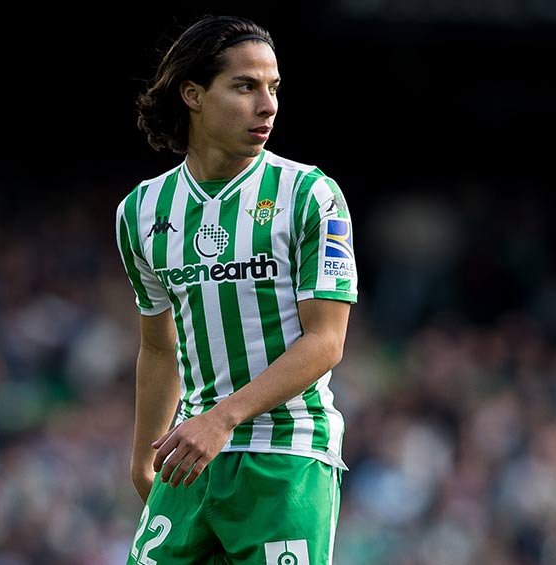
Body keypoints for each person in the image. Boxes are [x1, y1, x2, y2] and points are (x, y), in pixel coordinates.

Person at [115, 14, 357, 564]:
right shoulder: (141, 212)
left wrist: (222, 418)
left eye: (273, 88)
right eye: (245, 86)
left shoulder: (310, 194)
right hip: (190, 455)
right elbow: (159, 345)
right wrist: (140, 454)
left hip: (287, 456)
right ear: (193, 94)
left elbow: (326, 341)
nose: (267, 105)